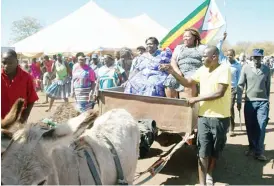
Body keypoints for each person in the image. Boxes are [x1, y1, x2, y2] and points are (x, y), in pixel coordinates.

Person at [160, 46, 231, 185]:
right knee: (203, 150)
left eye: (205, 56)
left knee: (215, 150)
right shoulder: (202, 70)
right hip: (203, 116)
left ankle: (210, 172)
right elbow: (187, 82)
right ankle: (203, 182)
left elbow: (219, 93)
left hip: (220, 117)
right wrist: (172, 72)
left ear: (214, 57)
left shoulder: (224, 69)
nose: (202, 58)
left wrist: (196, 99)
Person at [237, 49, 271, 161]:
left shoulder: (266, 69)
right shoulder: (246, 68)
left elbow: (268, 86)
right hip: (249, 102)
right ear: (252, 57)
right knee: (250, 126)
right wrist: (238, 100)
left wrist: (267, 101)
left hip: (263, 102)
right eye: (255, 57)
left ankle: (259, 151)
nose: (257, 59)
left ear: (262, 58)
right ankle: (252, 146)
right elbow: (241, 85)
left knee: (261, 126)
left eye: (259, 57)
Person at [164, 28, 207, 98]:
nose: (185, 38)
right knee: (169, 81)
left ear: (194, 37)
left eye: (187, 36)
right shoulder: (179, 47)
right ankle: (172, 104)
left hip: (195, 72)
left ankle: (186, 106)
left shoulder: (202, 48)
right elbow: (173, 60)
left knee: (188, 84)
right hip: (179, 71)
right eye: (184, 37)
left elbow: (207, 60)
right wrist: (177, 71)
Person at [1, 49, 39, 122]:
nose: (6, 66)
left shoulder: (26, 78)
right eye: (4, 62)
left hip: (18, 120)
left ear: (17, 62)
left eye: (10, 63)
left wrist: (25, 115)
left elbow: (32, 99)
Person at [218, 32, 242, 136]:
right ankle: (223, 127)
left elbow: (240, 79)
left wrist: (239, 91)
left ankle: (232, 128)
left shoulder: (238, 66)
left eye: (231, 55)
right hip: (222, 88)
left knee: (230, 107)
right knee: (222, 107)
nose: (229, 57)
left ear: (234, 56)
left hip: (232, 89)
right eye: (227, 55)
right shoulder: (223, 61)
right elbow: (218, 49)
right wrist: (222, 39)